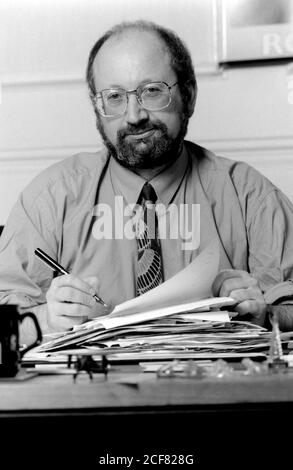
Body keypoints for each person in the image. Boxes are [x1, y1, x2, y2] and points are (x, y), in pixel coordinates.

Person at [1, 20, 293, 343]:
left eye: (151, 91)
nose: (134, 115)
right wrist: (45, 319)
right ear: (96, 107)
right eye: (114, 97)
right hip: (92, 392)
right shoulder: (50, 199)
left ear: (189, 95)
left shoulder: (251, 197)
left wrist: (267, 313)